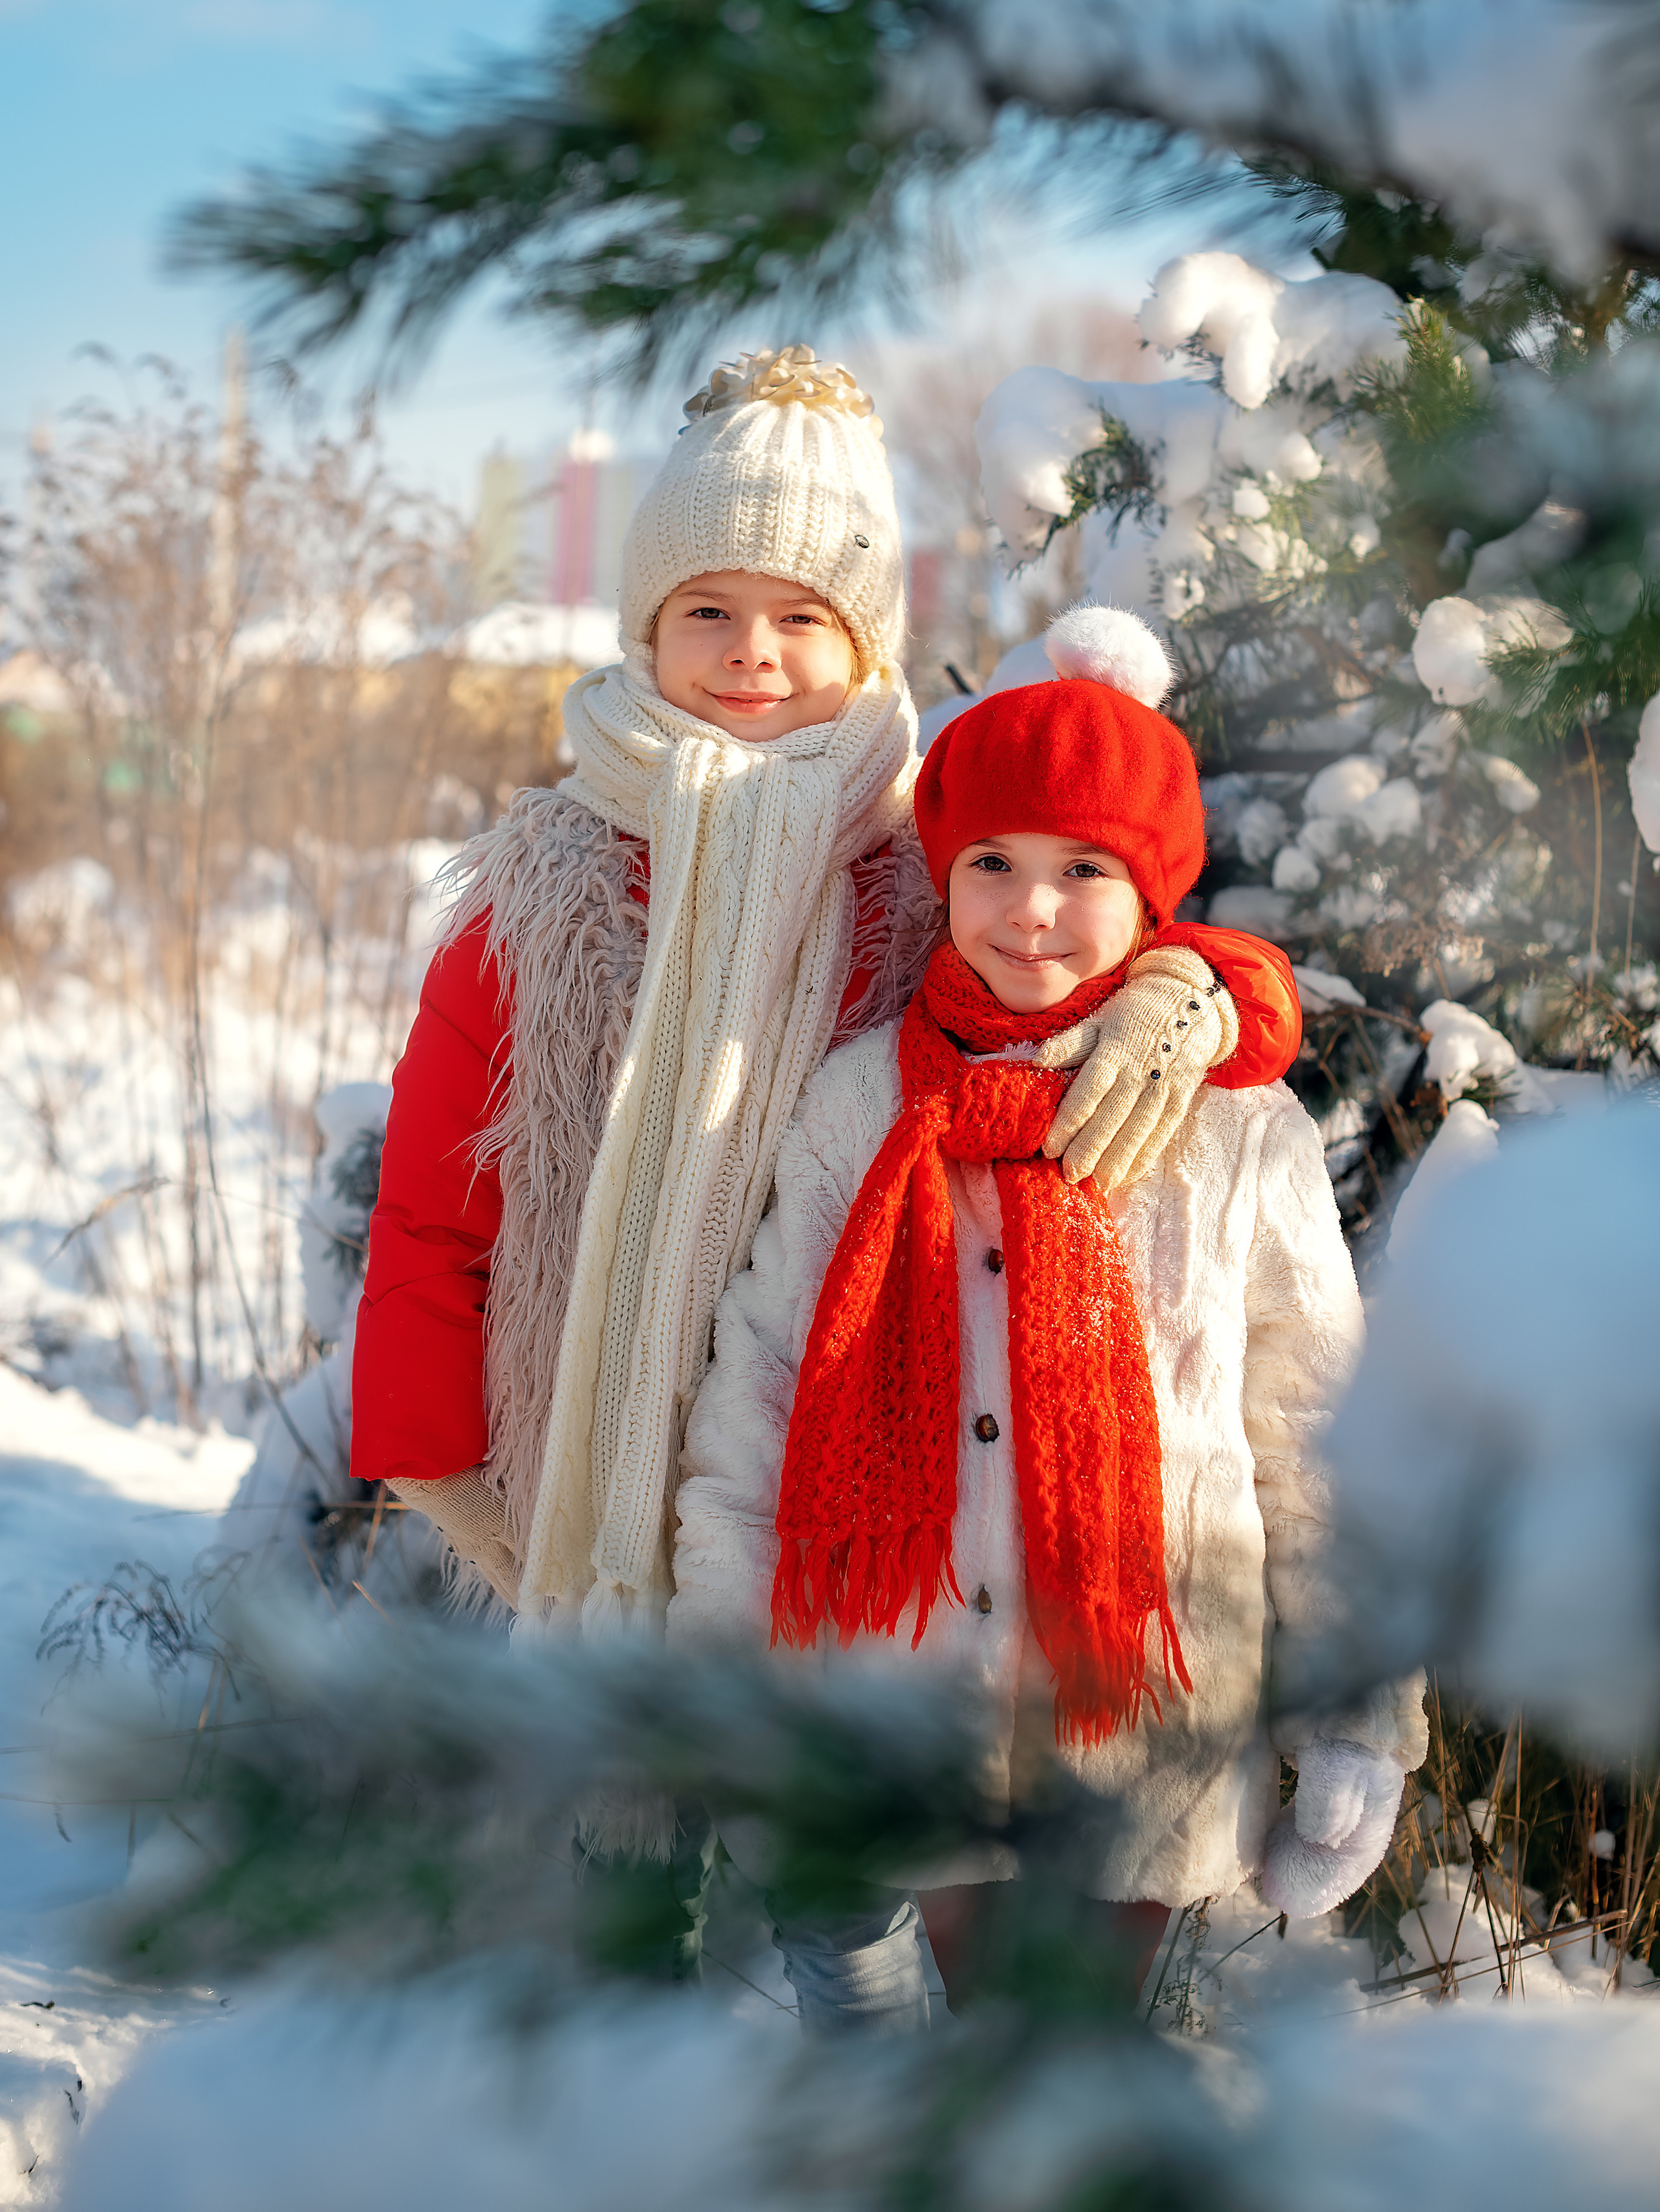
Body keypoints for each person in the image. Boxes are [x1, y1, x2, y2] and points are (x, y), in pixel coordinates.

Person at [349, 349, 1299, 1963]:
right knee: (619, 1839)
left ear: (862, 632)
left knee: (825, 1858)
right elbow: (438, 1197)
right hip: (589, 1433)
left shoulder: (923, 852)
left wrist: (1196, 987)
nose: (750, 654)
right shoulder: (549, 881)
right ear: (643, 625)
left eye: (799, 614)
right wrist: (442, 1459)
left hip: (848, 1429)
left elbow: (1080, 932)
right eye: (706, 611)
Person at [668, 606, 1427, 2032]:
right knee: (921, 2074)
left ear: (1152, 900)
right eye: (991, 866)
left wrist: (1355, 1716)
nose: (1029, 909)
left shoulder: (1231, 1129)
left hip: (1136, 1719)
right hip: (900, 1698)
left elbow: (1320, 1438)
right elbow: (759, 1396)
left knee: (1068, 2062)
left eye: (1082, 870)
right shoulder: (862, 1104)